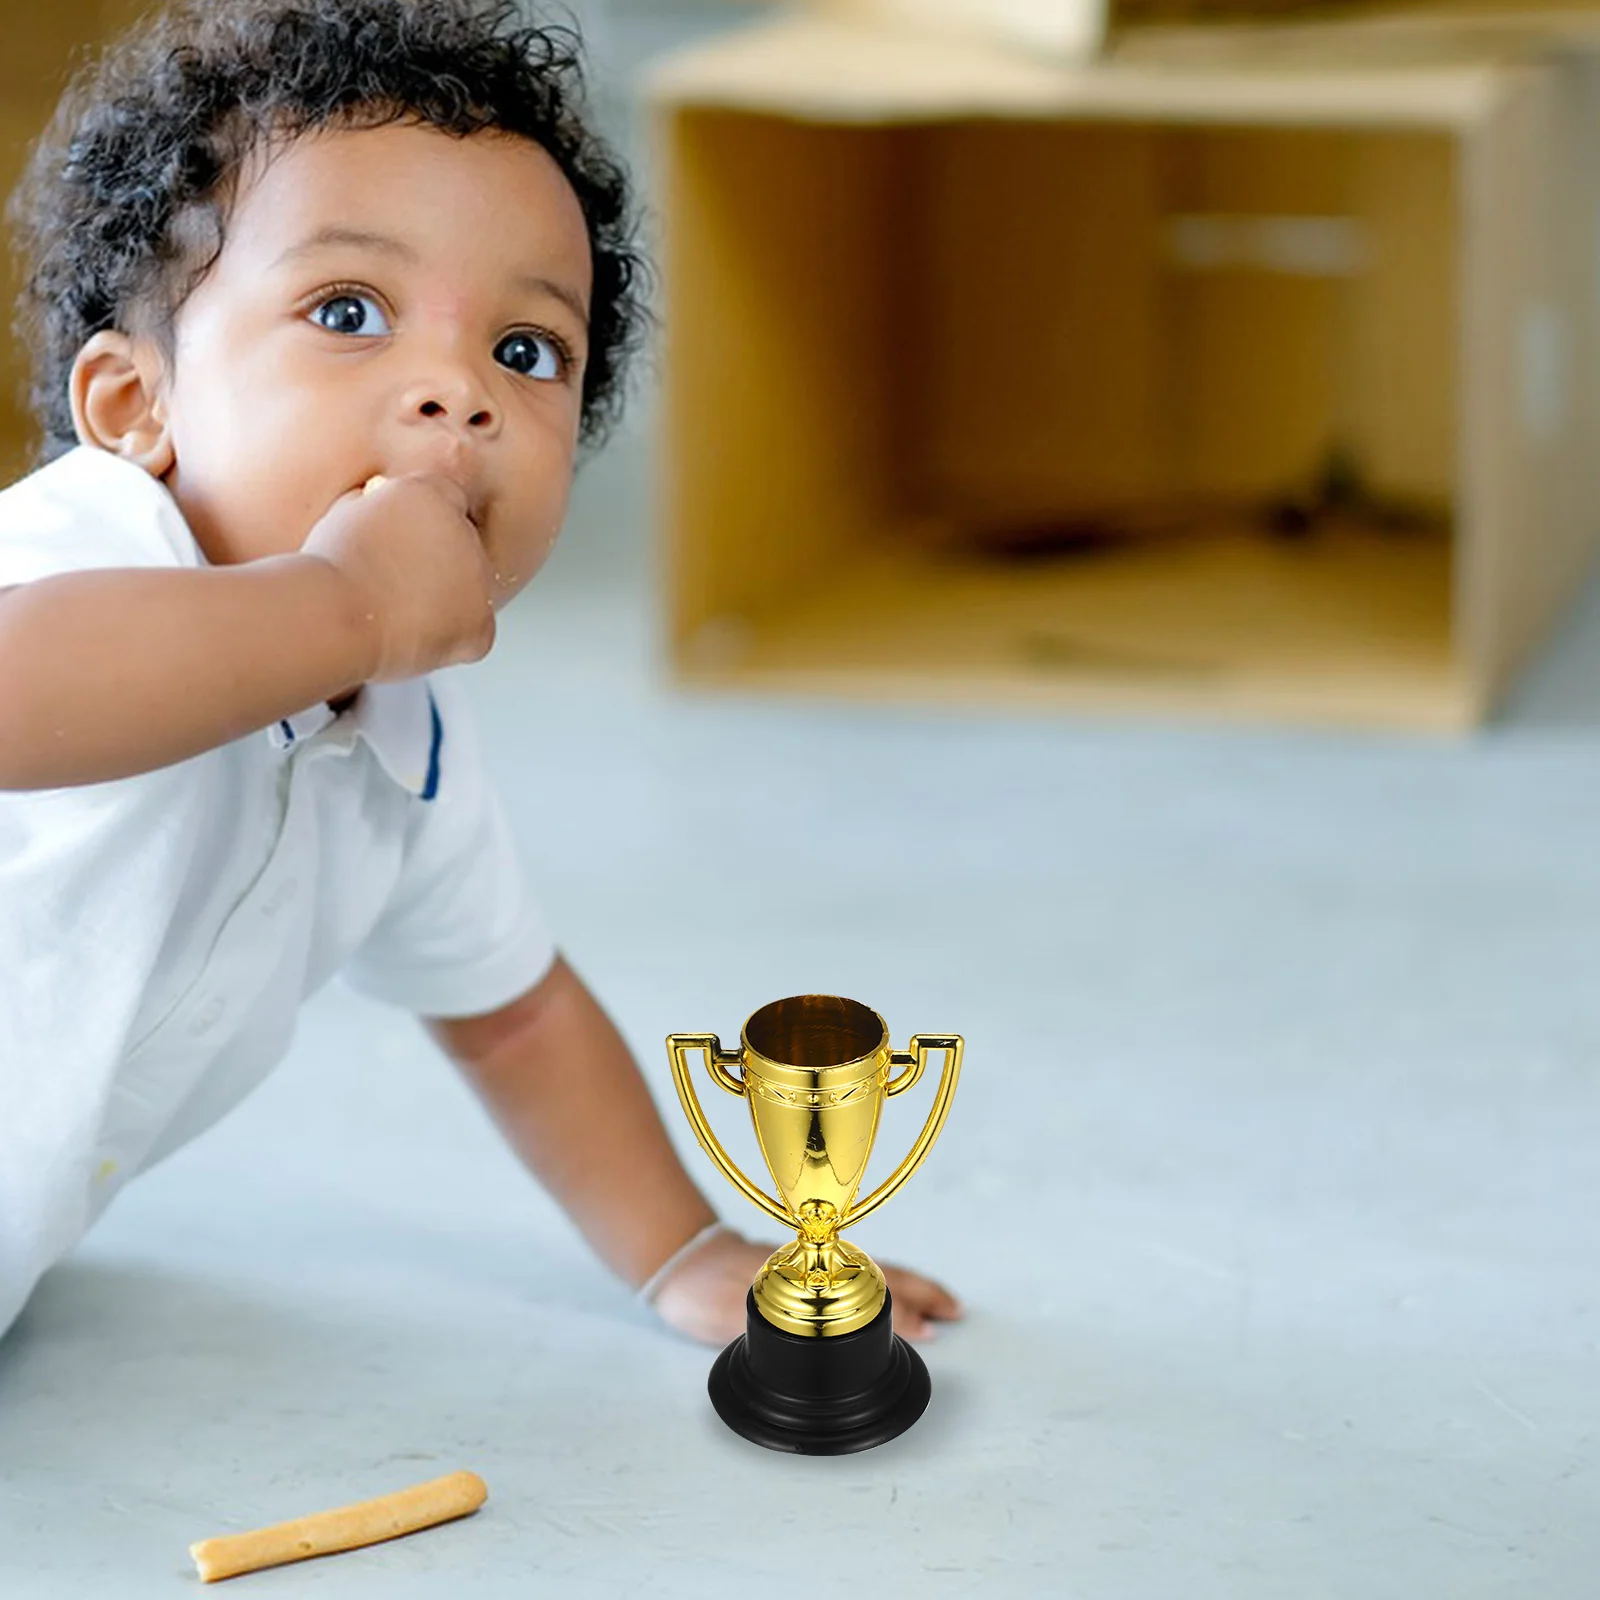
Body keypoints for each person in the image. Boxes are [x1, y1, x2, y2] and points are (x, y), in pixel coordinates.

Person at [0, 0, 962, 1349]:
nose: (459, 393)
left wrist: (683, 1248)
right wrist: (338, 603)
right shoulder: (76, 555)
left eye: (526, 351)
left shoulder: (401, 748)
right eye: (349, 311)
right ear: (134, 408)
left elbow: (515, 1018)